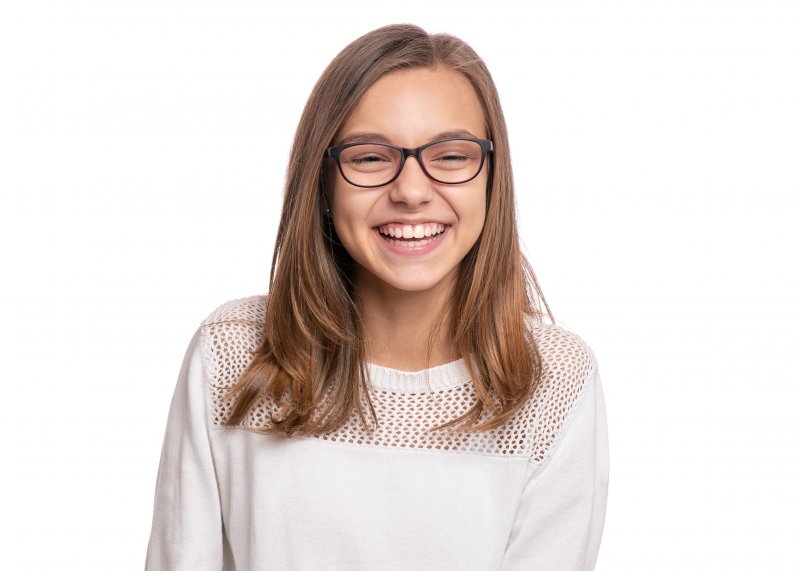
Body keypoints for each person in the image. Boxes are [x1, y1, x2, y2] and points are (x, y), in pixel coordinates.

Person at [145, 23, 609, 571]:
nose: (412, 191)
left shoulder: (552, 378)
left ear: (492, 176)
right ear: (322, 180)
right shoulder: (233, 354)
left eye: (452, 156)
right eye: (369, 157)